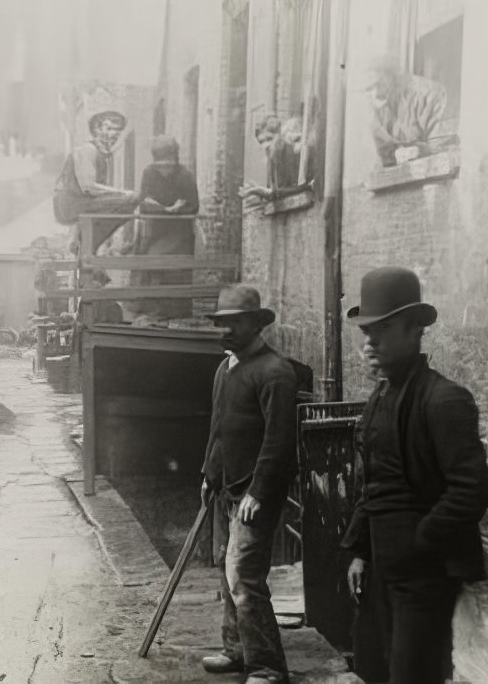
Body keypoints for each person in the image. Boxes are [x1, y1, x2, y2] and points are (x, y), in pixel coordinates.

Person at [341, 266, 488, 684]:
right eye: (366, 329)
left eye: (384, 327)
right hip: (381, 572)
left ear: (415, 330)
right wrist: (362, 550)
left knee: (414, 675)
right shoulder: (381, 396)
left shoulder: (443, 400)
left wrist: (421, 540)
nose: (370, 339)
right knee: (373, 668)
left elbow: (475, 488)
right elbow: (372, 484)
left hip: (424, 577)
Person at [200, 285, 297, 684]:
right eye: (221, 323)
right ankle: (236, 650)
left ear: (256, 324)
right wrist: (209, 474)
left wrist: (258, 491)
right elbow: (219, 429)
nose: (226, 331)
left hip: (254, 496)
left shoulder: (275, 373)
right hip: (226, 490)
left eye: (234, 323)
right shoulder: (226, 369)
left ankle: (268, 667)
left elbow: (279, 442)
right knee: (227, 572)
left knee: (244, 578)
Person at [53, 110, 140, 253]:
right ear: (96, 130)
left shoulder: (100, 153)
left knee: (124, 206)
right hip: (69, 206)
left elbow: (86, 196)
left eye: (118, 130)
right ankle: (88, 246)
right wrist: (121, 192)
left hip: (79, 203)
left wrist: (74, 235)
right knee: (131, 198)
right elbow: (88, 188)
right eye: (110, 128)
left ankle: (85, 246)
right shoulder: (89, 150)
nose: (115, 134)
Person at [131, 135, 199, 318]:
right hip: (156, 229)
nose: (165, 170)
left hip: (180, 231)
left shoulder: (184, 174)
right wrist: (157, 207)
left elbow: (194, 204)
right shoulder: (148, 173)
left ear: (175, 160)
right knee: (153, 262)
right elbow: (143, 201)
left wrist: (180, 207)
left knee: (178, 270)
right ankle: (156, 309)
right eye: (161, 166)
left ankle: (179, 314)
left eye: (169, 165)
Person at [366, 56, 459, 167]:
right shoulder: (381, 110)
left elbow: (439, 150)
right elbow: (380, 155)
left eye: (376, 85)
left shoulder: (427, 95)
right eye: (367, 90)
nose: (372, 95)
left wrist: (410, 151)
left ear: (388, 77)